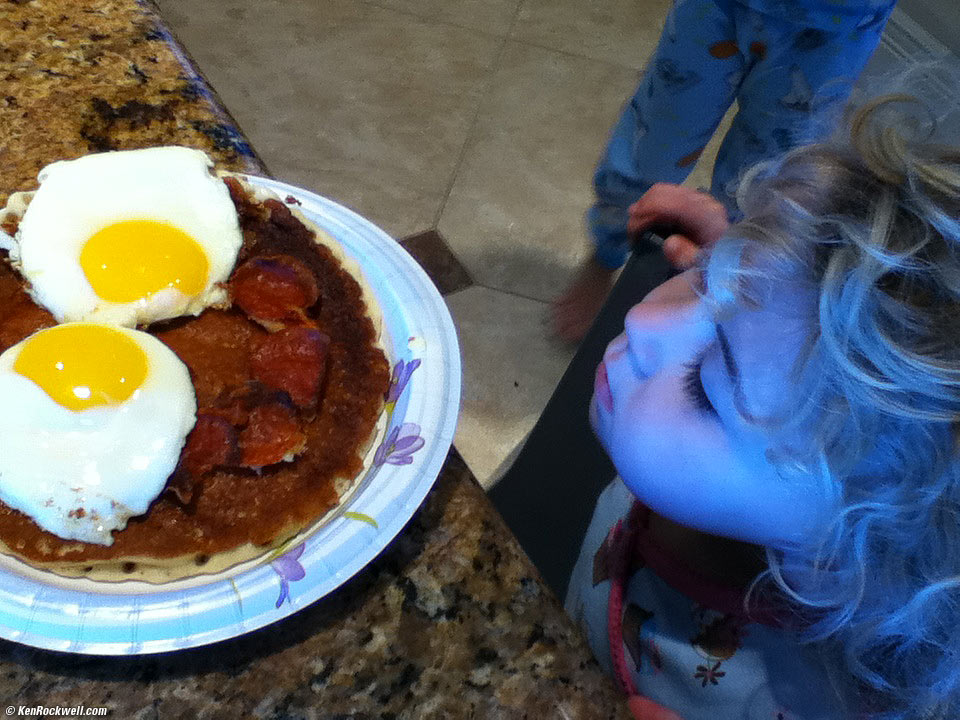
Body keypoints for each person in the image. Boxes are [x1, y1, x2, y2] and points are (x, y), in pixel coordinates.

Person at [566, 94, 960, 719]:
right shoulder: (807, 461)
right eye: (704, 279)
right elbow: (784, 350)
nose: (642, 322)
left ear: (834, 562)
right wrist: (742, 262)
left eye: (706, 387)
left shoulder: (791, 701)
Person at [551, 0, 898, 343]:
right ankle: (606, 252)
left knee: (765, 185)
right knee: (653, 144)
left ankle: (710, 285)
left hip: (839, 23)